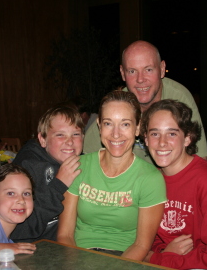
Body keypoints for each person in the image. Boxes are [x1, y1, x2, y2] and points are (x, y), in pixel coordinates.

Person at [140, 99, 207, 270]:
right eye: (155, 134)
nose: (162, 142)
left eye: (172, 133)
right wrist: (164, 252)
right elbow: (150, 239)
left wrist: (159, 259)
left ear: (187, 138)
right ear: (146, 139)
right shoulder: (151, 180)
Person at [58, 90, 166, 261]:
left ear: (137, 127)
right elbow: (65, 235)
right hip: (78, 254)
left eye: (125, 124)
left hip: (124, 259)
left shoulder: (150, 178)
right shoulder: (78, 166)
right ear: (99, 126)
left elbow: (141, 245)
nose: (116, 134)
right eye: (108, 123)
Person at [83, 40, 207, 163]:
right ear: (122, 73)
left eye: (148, 70)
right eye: (132, 71)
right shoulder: (119, 104)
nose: (140, 79)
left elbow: (200, 159)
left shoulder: (178, 99)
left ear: (162, 68)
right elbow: (88, 155)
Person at [10, 104, 83, 243]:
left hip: (67, 245)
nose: (69, 141)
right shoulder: (27, 169)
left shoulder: (82, 163)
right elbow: (19, 230)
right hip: (32, 250)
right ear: (43, 140)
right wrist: (58, 185)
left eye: (76, 134)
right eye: (60, 135)